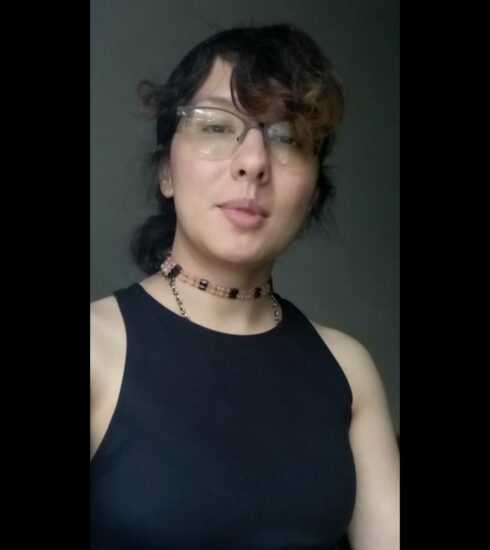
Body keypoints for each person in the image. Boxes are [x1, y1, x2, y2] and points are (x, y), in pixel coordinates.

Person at [90, 23, 399, 550]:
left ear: (311, 195)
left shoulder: (348, 368)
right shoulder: (96, 349)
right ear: (166, 172)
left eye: (287, 137)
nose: (253, 163)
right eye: (214, 126)